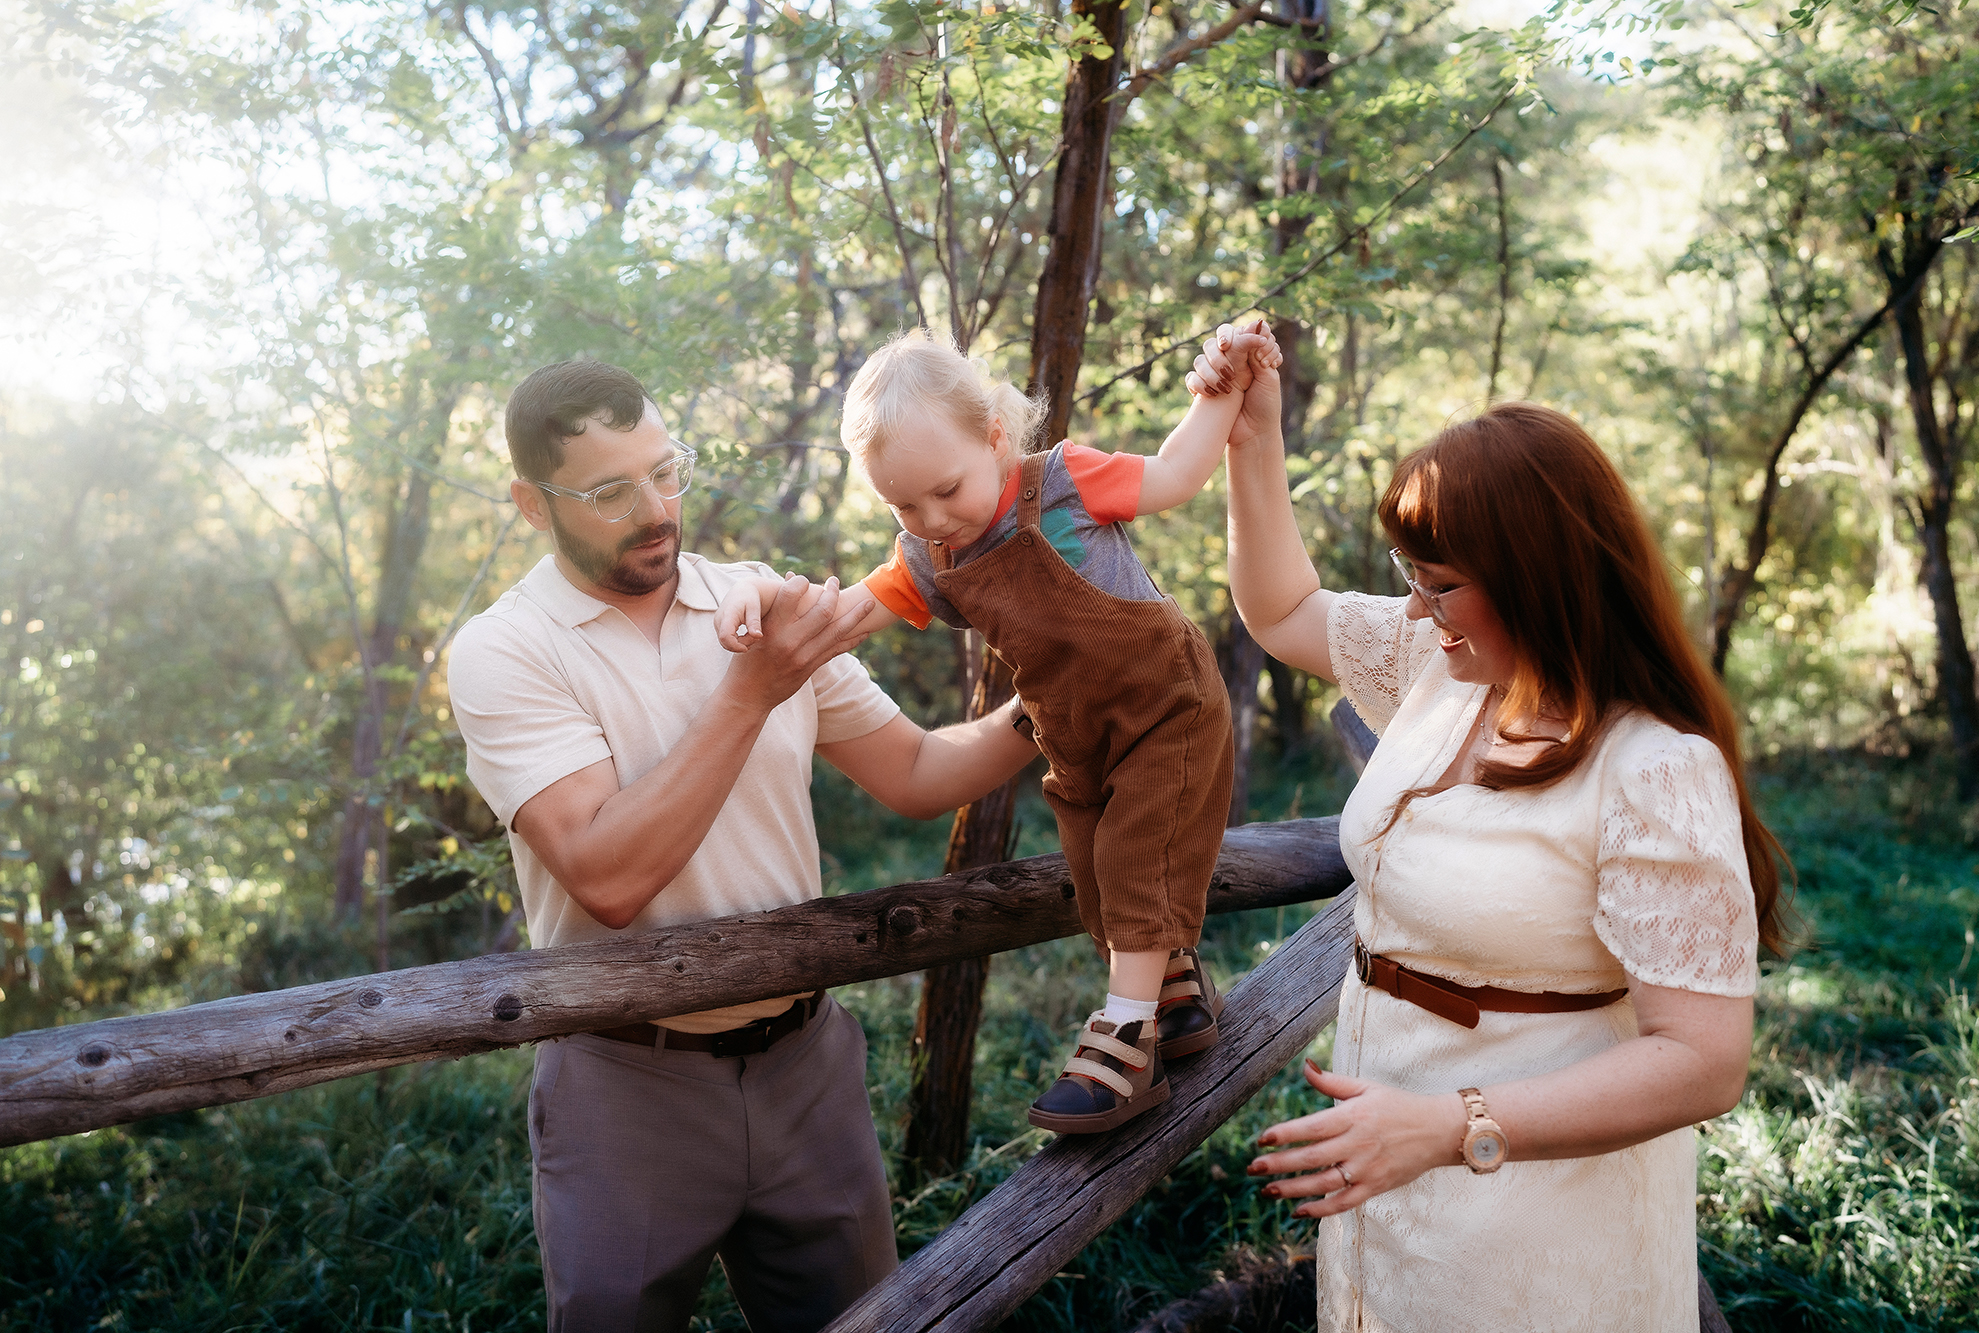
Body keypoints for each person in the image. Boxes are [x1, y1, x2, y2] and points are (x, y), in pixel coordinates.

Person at [1191, 324, 1787, 1328]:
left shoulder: (1653, 769)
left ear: (1537, 576)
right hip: (1386, 1159)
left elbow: (1702, 1058)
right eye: (1407, 574)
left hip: (1538, 1208)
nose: (1416, 609)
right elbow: (1282, 606)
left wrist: (1447, 1125)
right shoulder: (1441, 673)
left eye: (1439, 581)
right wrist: (1253, 437)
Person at [446, 357, 1039, 1333]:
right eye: (608, 490)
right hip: (622, 1084)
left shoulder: (761, 600)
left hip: (808, 1067)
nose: (654, 508)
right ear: (528, 502)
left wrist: (1050, 708)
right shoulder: (506, 649)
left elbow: (916, 773)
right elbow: (607, 873)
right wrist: (752, 689)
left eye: (665, 471)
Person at [713, 328, 1280, 1134]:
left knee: (1138, 850)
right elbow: (843, 615)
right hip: (1070, 730)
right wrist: (758, 593)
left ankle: (1125, 1038)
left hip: (1165, 703)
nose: (931, 518)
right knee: (1094, 869)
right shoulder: (930, 555)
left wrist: (1221, 386)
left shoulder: (1067, 484)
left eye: (945, 490)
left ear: (995, 437)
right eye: (903, 505)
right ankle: (1174, 991)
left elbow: (1180, 471)